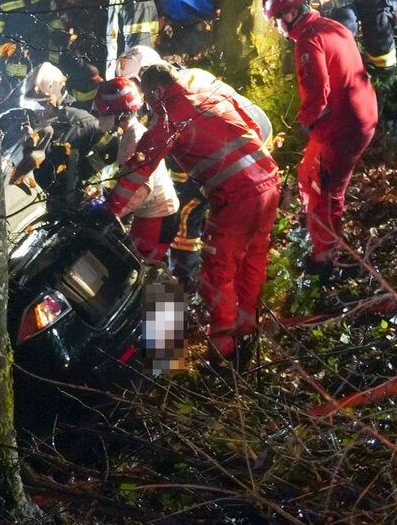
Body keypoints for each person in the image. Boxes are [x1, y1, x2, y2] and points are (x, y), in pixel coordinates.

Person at [108, 62, 279, 360]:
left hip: (236, 196)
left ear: (158, 90)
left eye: (150, 96)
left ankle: (223, 348)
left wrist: (108, 210)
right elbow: (251, 126)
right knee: (253, 255)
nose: (149, 103)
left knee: (217, 271)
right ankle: (246, 325)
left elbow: (137, 173)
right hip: (267, 179)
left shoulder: (168, 120)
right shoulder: (209, 92)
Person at [117, 45, 274, 293]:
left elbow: (169, 168)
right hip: (254, 137)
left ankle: (186, 283)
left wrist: (112, 208)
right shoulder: (188, 77)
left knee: (190, 211)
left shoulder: (168, 110)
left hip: (240, 152)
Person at [262, 0, 379, 282]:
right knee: (308, 172)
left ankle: (325, 260)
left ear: (290, 13)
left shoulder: (307, 40)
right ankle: (313, 227)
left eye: (277, 20)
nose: (277, 28)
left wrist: (306, 121)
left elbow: (317, 93)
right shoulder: (331, 26)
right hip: (361, 114)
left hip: (343, 126)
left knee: (323, 192)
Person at [93, 76, 179, 263]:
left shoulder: (134, 139)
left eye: (103, 113)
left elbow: (141, 190)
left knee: (140, 269)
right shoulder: (129, 134)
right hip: (151, 213)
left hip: (158, 215)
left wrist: (111, 214)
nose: (99, 117)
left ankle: (174, 293)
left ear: (119, 114)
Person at [10, 62, 111, 216]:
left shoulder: (83, 124)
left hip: (71, 209)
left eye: (39, 105)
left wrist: (81, 186)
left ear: (56, 97)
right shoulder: (43, 127)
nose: (35, 112)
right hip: (44, 202)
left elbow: (105, 159)